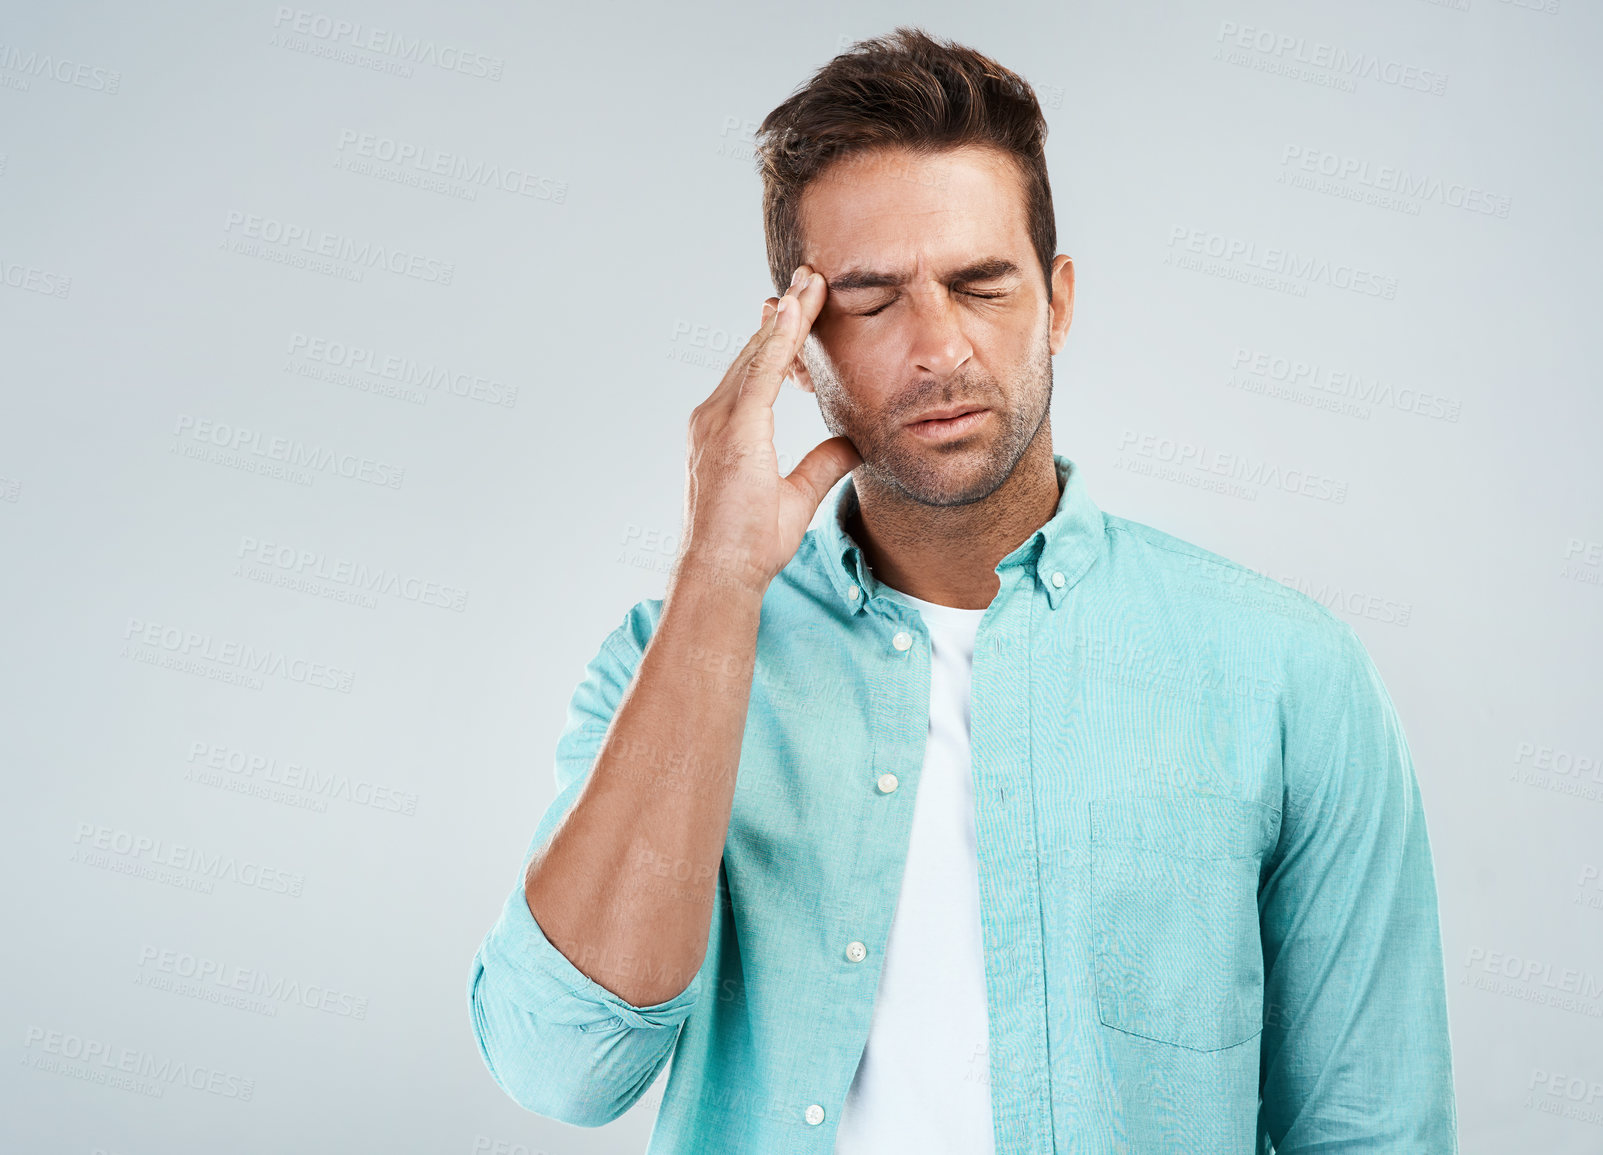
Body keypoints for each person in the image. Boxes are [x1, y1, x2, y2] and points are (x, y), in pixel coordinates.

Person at [466, 26, 1458, 1154]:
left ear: (1059, 301)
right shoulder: (665, 660)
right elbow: (562, 1065)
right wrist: (719, 575)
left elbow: (1376, 1131)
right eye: (874, 299)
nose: (938, 347)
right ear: (794, 348)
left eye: (981, 284)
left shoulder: (1289, 674)